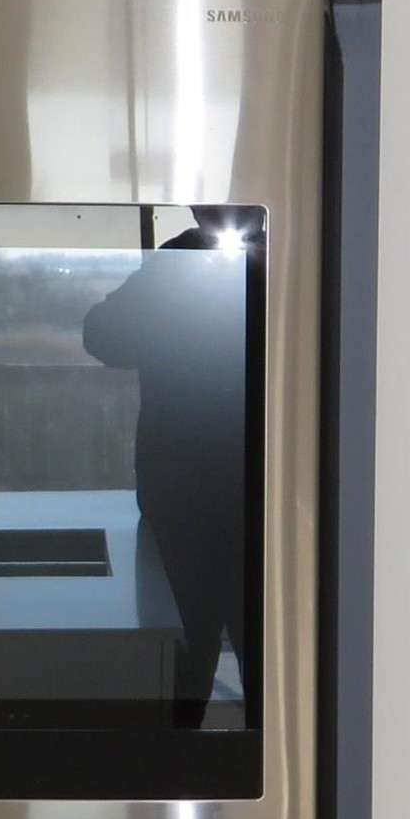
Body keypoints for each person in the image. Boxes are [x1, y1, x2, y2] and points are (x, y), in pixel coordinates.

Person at [78, 218, 254, 729]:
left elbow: (101, 331)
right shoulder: (200, 253)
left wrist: (171, 333)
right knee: (208, 646)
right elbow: (101, 333)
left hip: (196, 487)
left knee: (195, 645)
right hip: (237, 490)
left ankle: (187, 776)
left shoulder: (189, 254)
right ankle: (208, 779)